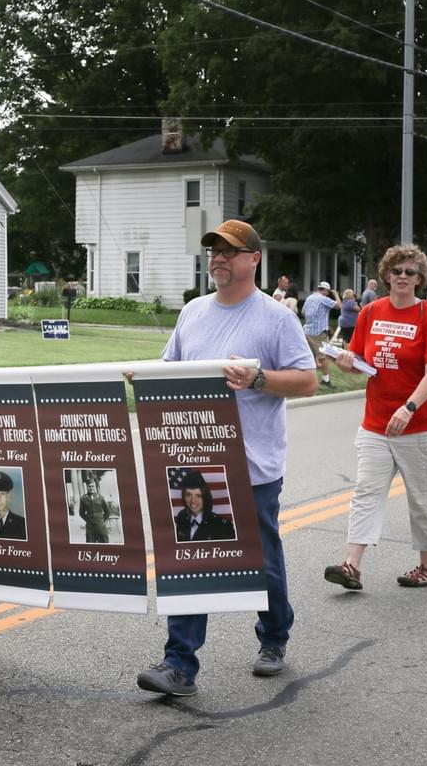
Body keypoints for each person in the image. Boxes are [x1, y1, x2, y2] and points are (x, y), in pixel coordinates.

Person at [135, 219, 317, 697]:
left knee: (263, 562)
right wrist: (142, 377)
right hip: (195, 458)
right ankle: (179, 666)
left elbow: (307, 380)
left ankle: (274, 636)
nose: (218, 257)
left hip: (254, 465)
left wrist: (258, 379)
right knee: (191, 558)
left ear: (254, 259)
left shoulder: (275, 318)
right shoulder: (193, 312)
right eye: (214, 250)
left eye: (230, 251)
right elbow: (171, 368)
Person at [323, 243, 427, 593]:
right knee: (366, 491)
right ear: (386, 275)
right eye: (397, 271)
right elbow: (360, 364)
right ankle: (352, 565)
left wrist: (408, 408)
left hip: (422, 425)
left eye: (410, 272)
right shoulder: (370, 313)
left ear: (420, 279)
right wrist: (344, 362)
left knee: (422, 499)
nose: (403, 277)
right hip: (377, 424)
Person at [173, 470, 236, 542]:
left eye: (198, 496)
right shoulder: (182, 516)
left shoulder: (222, 526)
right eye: (188, 495)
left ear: (205, 497)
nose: (193, 501)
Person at [302, 280, 342, 386]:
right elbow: (339, 306)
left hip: (307, 330)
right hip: (319, 331)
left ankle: (307, 379)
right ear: (325, 290)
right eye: (327, 291)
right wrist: (336, 294)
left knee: (309, 357)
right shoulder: (323, 299)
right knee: (324, 357)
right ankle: (326, 380)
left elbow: (303, 312)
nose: (327, 293)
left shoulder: (309, 298)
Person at [78, 474, 111, 544]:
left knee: (104, 544)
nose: (91, 488)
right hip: (90, 528)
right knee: (90, 545)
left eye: (93, 486)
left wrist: (101, 520)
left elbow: (107, 512)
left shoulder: (100, 497)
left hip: (100, 527)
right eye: (89, 486)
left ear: (95, 486)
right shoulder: (83, 498)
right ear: (87, 487)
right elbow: (81, 513)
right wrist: (88, 519)